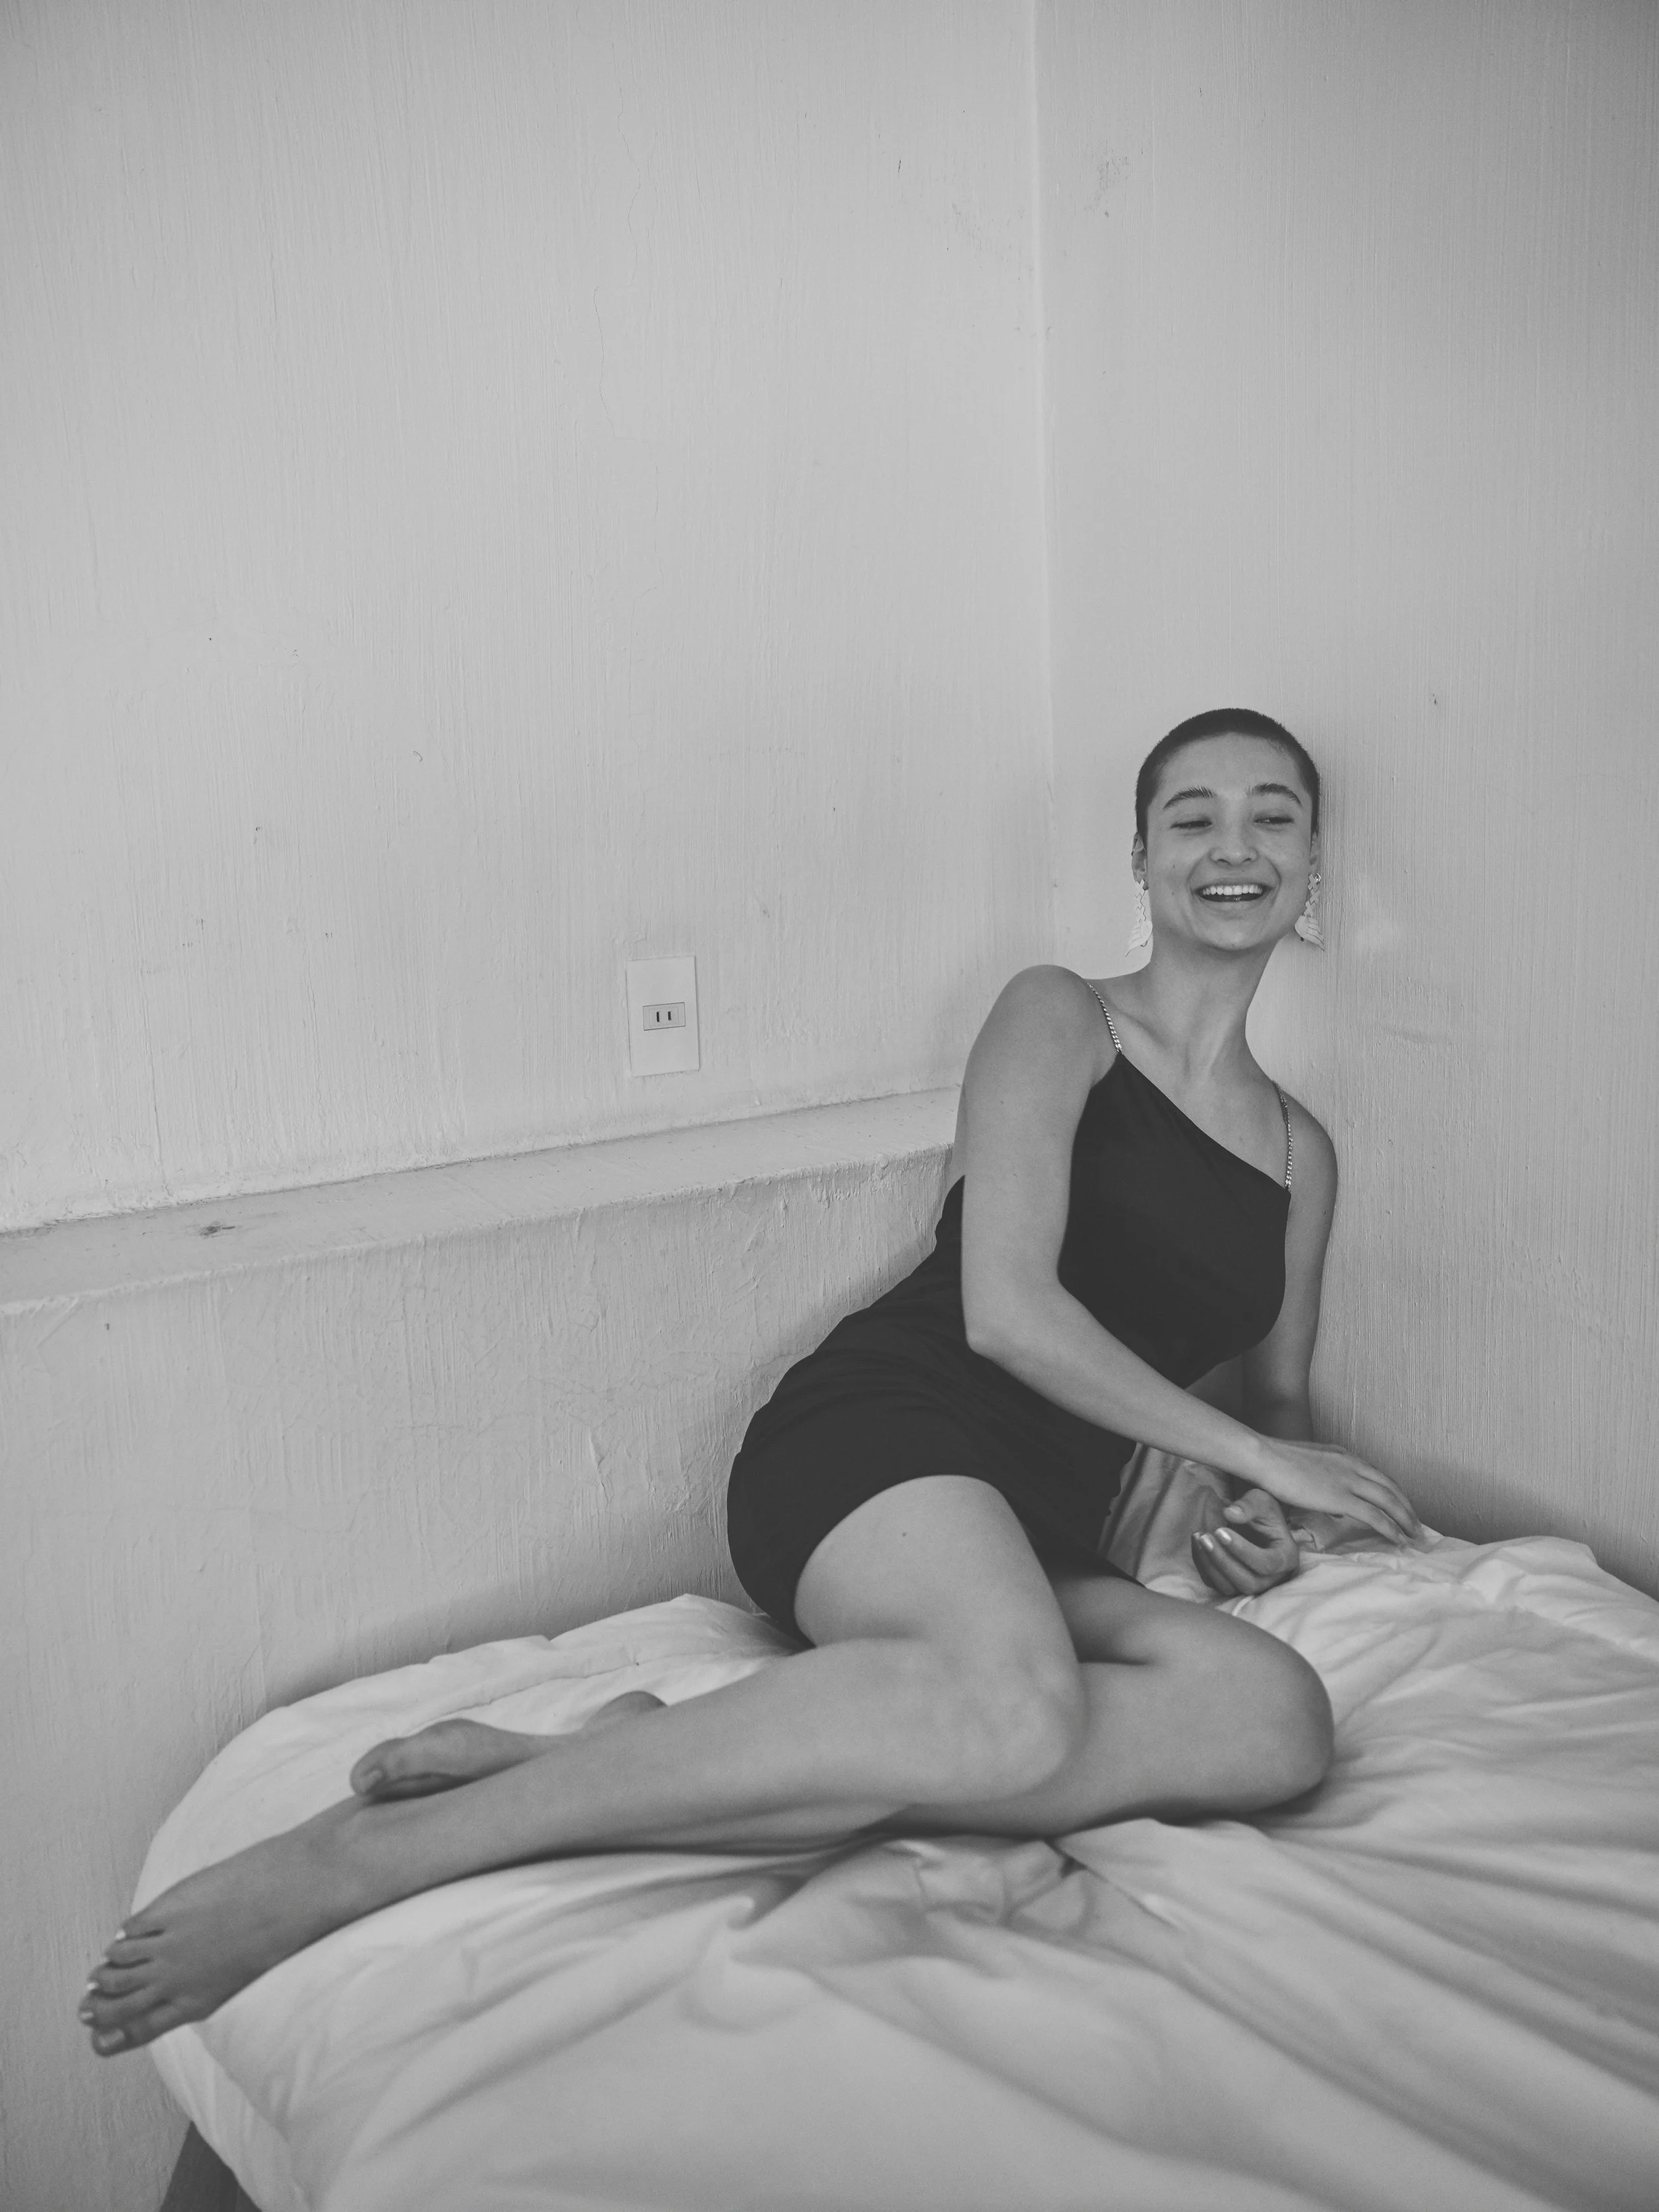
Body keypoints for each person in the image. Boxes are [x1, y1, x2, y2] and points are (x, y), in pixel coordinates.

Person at [80, 708, 1419, 2057]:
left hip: (1042, 1527)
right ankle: (378, 1855)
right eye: (1191, 816)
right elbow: (1007, 1313)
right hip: (890, 1437)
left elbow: (1278, 1415)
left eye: (1272, 815)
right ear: (1140, 856)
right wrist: (1251, 1460)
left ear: (1311, 864)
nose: (1231, 846)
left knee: (1267, 1719)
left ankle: (585, 1767)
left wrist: (1265, 1518)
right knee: (1008, 1705)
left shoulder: (1301, 1156)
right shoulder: (1058, 1015)